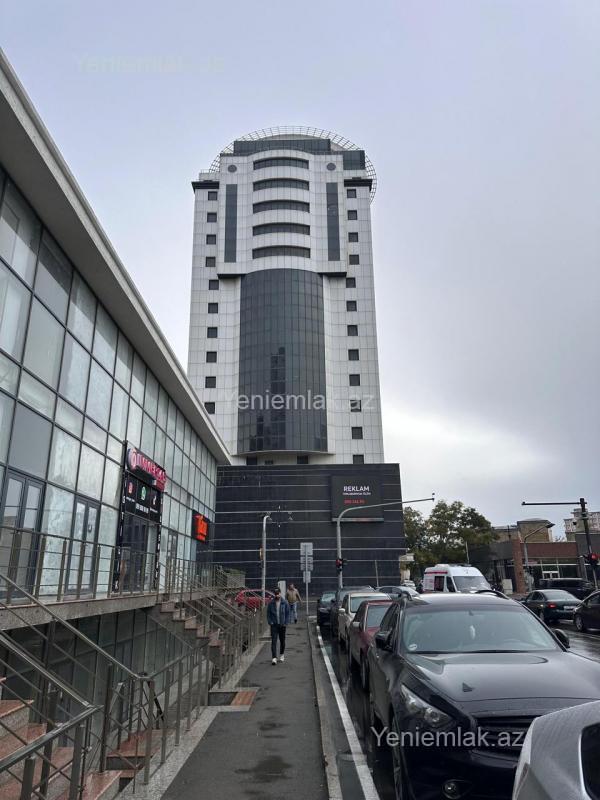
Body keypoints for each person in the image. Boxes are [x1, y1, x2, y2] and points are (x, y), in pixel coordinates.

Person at [266, 587, 290, 664]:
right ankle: (274, 658)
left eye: (278, 593)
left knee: (282, 641)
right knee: (274, 641)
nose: (277, 595)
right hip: (274, 625)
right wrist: (270, 622)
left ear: (280, 593)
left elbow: (287, 613)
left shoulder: (285, 602)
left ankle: (282, 655)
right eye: (275, 594)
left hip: (282, 625)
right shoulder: (271, 603)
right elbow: (268, 614)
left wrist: (286, 623)